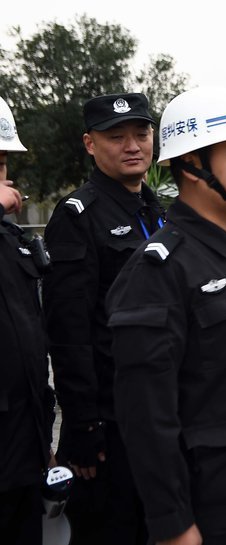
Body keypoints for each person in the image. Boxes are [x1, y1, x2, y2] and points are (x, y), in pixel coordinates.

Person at [107, 87, 226, 545]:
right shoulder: (159, 270)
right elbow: (146, 415)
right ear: (192, 164)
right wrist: (173, 522)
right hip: (214, 507)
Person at [44, 93, 164, 544]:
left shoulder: (158, 210)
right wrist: (82, 424)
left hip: (160, 412)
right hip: (110, 424)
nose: (132, 146)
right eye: (116, 137)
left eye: (141, 134)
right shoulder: (79, 216)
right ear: (90, 144)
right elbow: (68, 331)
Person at [0, 97, 56, 545]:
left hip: (22, 451)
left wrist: (44, 444)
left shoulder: (11, 240)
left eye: (1, 162)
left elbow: (31, 348)